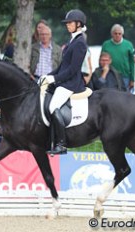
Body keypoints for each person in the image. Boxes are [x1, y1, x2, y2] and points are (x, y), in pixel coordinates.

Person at [40, 9, 88, 155]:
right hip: (64, 80)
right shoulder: (72, 40)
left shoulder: (80, 43)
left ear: (78, 24)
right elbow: (62, 66)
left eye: (70, 23)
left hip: (71, 84)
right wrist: (47, 76)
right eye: (67, 23)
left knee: (53, 106)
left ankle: (61, 144)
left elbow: (73, 69)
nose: (67, 25)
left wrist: (55, 79)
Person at [101, 24, 135, 92]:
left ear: (122, 34)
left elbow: (132, 63)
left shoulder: (128, 45)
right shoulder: (106, 45)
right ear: (112, 34)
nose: (117, 35)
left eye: (119, 33)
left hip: (125, 76)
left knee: (126, 98)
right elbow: (101, 60)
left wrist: (132, 79)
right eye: (115, 33)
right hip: (110, 75)